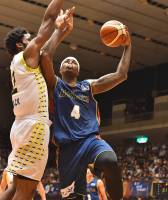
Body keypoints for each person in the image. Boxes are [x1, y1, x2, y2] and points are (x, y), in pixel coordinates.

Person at [40, 15, 132, 200]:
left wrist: (127, 45)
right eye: (66, 61)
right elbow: (45, 55)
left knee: (110, 160)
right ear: (60, 69)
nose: (70, 62)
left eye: (74, 62)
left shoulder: (88, 86)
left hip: (90, 141)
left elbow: (121, 74)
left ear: (79, 71)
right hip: (67, 149)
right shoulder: (55, 85)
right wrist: (60, 30)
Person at [0, 1, 74, 200]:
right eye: (29, 39)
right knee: (25, 191)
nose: (34, 42)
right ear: (20, 44)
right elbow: (47, 21)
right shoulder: (26, 55)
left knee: (14, 188)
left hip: (21, 126)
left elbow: (46, 50)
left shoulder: (20, 63)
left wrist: (61, 31)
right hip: (34, 127)